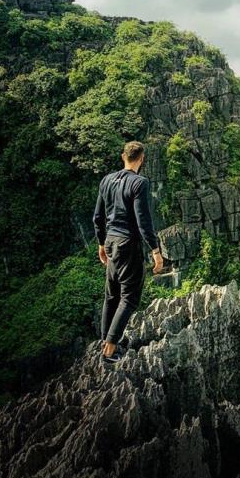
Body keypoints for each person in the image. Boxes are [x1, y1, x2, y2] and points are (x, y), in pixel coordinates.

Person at [93, 140, 165, 362]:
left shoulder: (106, 181)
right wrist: (155, 250)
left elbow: (98, 216)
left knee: (111, 295)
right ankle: (110, 349)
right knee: (129, 298)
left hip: (111, 241)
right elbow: (143, 220)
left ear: (123, 157)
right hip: (127, 244)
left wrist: (101, 244)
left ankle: (106, 341)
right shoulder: (139, 183)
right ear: (141, 159)